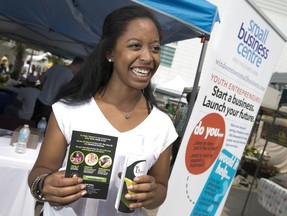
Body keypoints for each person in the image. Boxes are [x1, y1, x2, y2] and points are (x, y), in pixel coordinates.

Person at [28, 5, 177, 216]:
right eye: (135, 46)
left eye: (155, 48)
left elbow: (161, 188)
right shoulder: (69, 110)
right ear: (110, 52)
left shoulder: (162, 125)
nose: (147, 57)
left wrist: (152, 193)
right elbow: (40, 170)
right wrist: (44, 185)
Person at [30, 57, 84, 123]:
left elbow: (41, 77)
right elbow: (67, 93)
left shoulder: (57, 66)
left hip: (40, 99)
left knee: (33, 122)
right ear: (79, 65)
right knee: (42, 127)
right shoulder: (70, 76)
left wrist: (46, 86)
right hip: (50, 105)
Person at [171, 92, 191, 166]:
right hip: (186, 138)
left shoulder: (182, 109)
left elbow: (175, 123)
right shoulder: (194, 112)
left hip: (178, 136)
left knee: (174, 157)